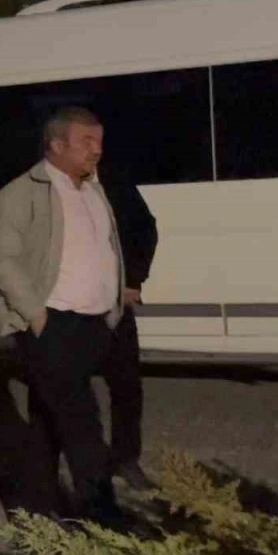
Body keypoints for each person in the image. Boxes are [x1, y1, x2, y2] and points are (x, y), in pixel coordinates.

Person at [0, 105, 126, 525]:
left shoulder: (93, 190)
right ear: (56, 145)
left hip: (93, 325)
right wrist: (36, 316)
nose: (96, 150)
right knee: (83, 422)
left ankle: (35, 510)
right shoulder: (21, 193)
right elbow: (3, 261)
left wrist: (113, 305)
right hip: (51, 326)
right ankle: (103, 518)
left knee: (47, 422)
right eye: (87, 142)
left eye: (100, 142)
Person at [98, 164, 158, 491]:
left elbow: (145, 228)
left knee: (126, 386)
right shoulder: (50, 185)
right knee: (66, 389)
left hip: (113, 302)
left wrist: (134, 279)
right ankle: (77, 465)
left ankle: (125, 458)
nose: (93, 150)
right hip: (67, 306)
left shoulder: (115, 183)